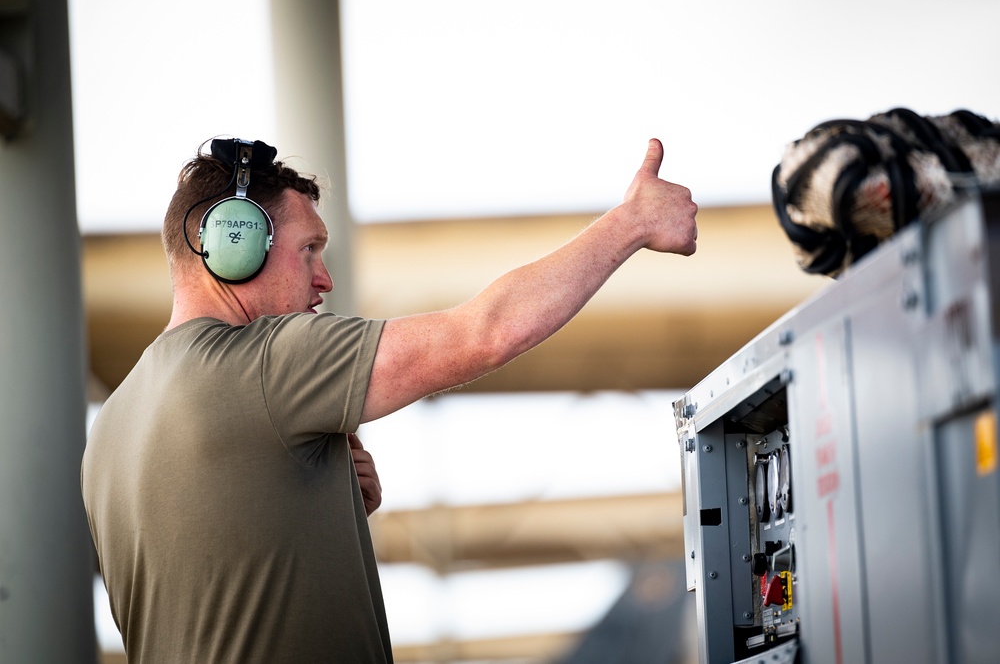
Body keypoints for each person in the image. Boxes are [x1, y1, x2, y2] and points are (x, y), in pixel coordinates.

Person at [81, 136, 697, 663]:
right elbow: (483, 333)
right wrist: (632, 222)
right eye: (309, 251)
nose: (324, 280)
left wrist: (321, 512)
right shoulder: (266, 361)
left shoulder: (109, 432)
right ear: (234, 243)